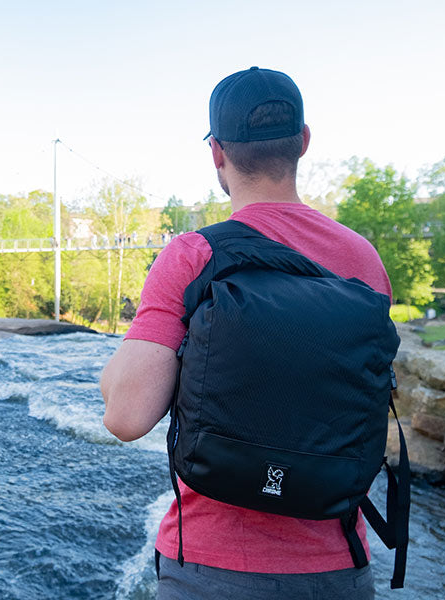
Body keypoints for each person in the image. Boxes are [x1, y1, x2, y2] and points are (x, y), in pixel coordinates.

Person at [99, 67, 392, 599]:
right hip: (337, 568)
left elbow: (126, 417)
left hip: (210, 566)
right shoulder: (362, 260)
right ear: (303, 142)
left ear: (217, 153)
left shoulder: (193, 256)